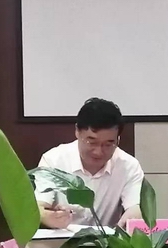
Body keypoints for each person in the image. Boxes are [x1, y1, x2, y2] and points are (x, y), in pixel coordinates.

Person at [35, 98, 144, 229]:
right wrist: (50, 217)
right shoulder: (53, 160)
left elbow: (135, 207)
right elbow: (38, 207)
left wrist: (132, 218)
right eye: (92, 142)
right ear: (77, 131)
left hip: (107, 241)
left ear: (118, 139)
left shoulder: (128, 166)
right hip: (62, 240)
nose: (98, 152)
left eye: (108, 144)